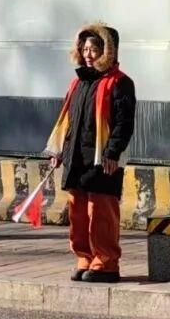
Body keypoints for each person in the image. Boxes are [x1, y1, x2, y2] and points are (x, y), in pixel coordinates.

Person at [45, 22, 135, 283]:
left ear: (108, 51)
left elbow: (123, 123)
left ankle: (106, 263)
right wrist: (59, 151)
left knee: (101, 212)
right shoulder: (78, 83)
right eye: (84, 49)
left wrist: (112, 153)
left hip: (102, 159)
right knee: (78, 213)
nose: (88, 54)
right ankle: (84, 258)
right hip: (77, 158)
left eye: (94, 49)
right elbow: (67, 120)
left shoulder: (120, 83)